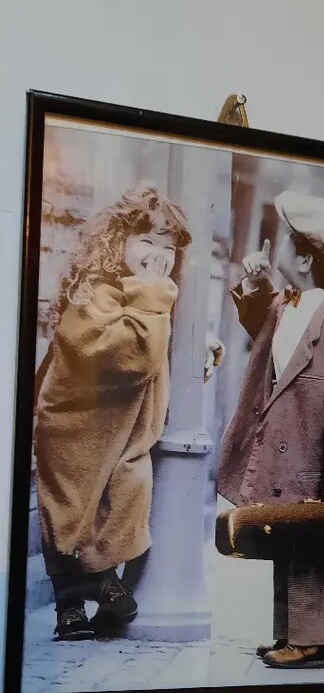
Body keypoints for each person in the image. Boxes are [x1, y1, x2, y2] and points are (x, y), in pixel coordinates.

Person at [218, 191, 324, 668]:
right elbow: (263, 331)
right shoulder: (289, 307)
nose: (279, 243)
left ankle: (315, 644)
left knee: (315, 556)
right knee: (289, 546)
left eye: (288, 240)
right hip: (286, 462)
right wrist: (256, 281)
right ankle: (291, 634)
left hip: (316, 466)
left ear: (306, 260)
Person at [34, 184, 194, 641]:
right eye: (146, 241)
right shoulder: (95, 294)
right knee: (70, 513)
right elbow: (130, 355)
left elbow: (157, 345)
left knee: (122, 497)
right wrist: (152, 295)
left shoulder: (145, 293)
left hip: (122, 432)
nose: (158, 256)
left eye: (168, 248)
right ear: (117, 241)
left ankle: (103, 585)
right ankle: (72, 606)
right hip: (75, 428)